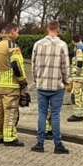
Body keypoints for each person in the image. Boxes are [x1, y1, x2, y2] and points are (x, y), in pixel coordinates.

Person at [30, 20, 71, 154]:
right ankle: (57, 144)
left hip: (42, 85)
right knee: (55, 115)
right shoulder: (62, 45)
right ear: (58, 30)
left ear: (47, 29)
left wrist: (37, 80)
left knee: (41, 113)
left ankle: (40, 143)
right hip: (57, 86)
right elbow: (65, 66)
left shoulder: (38, 44)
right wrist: (66, 81)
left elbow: (33, 65)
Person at [0, 23, 27, 146]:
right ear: (12, 32)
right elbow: (17, 65)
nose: (18, 34)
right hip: (11, 85)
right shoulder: (12, 46)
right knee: (11, 111)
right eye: (17, 32)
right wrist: (23, 81)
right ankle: (10, 137)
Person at [65, 35, 83, 122]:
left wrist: (76, 73)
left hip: (78, 77)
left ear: (73, 41)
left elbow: (79, 63)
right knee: (80, 96)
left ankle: (78, 115)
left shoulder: (79, 50)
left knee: (76, 96)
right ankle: (80, 113)